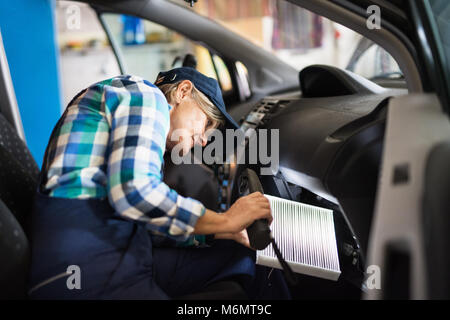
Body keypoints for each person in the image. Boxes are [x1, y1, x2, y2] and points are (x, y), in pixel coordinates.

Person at [27, 67, 291, 299]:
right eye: (207, 123)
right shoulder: (147, 96)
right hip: (85, 262)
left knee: (248, 258)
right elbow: (135, 193)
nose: (203, 140)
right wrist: (226, 220)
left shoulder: (144, 129)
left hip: (120, 250)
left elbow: (144, 220)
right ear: (183, 92)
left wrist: (219, 231)